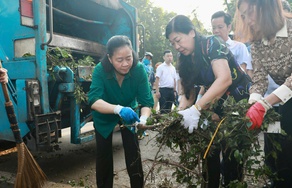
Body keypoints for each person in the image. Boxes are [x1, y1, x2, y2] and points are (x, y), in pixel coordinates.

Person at [165, 15, 252, 187]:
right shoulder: (185, 59)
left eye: (178, 40)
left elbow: (224, 79)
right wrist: (181, 113)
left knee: (231, 157)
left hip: (237, 102)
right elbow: (188, 95)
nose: (177, 47)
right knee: (209, 153)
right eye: (172, 44)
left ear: (191, 32)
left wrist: (196, 109)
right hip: (213, 104)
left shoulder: (212, 44)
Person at [235, 0, 292, 187]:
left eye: (249, 13)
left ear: (266, 6)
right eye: (243, 16)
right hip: (290, 99)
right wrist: (251, 104)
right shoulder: (257, 42)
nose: (247, 21)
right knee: (287, 153)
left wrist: (264, 104)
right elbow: (260, 79)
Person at [88, 35, 154, 188]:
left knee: (133, 153)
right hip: (105, 113)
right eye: (119, 60)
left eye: (128, 58)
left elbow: (146, 101)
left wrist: (143, 119)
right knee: (103, 155)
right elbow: (94, 100)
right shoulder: (100, 70)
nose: (125, 64)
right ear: (110, 58)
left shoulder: (138, 70)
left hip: (129, 114)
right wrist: (117, 109)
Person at [211, 10, 253, 78]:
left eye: (220, 27)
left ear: (229, 27)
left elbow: (244, 72)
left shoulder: (239, 47)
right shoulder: (210, 50)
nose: (216, 31)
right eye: (214, 28)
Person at [153, 50, 177, 114]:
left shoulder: (173, 68)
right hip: (163, 90)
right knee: (163, 109)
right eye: (168, 56)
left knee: (169, 109)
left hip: (171, 90)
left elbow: (175, 80)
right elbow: (157, 79)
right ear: (164, 57)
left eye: (171, 56)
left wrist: (174, 91)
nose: (170, 58)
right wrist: (157, 91)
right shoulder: (160, 67)